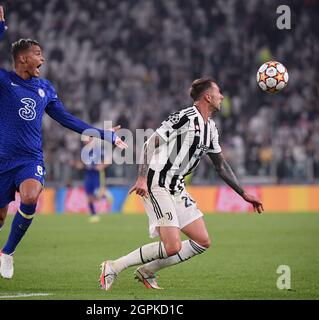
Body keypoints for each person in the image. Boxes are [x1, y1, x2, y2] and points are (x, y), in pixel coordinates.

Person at [0, 6, 127, 290]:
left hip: (30, 158)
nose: (42, 58)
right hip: (2, 160)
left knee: (31, 197)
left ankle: (7, 252)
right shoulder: (2, 81)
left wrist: (104, 133)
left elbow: (67, 119)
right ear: (23, 58)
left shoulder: (44, 88)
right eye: (37, 54)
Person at [99, 78, 263, 290]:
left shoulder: (211, 128)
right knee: (173, 246)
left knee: (202, 241)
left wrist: (244, 194)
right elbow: (150, 143)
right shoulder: (184, 117)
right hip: (156, 181)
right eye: (218, 92)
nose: (222, 96)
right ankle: (113, 266)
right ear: (207, 96)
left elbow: (220, 165)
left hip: (176, 186)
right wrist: (141, 178)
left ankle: (147, 271)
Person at [74, 136, 111, 223]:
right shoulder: (84, 151)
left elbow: (108, 161)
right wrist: (79, 166)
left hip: (97, 174)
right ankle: (94, 215)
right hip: (88, 174)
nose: (85, 141)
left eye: (87, 139)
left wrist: (101, 166)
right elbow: (83, 164)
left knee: (97, 193)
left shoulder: (98, 150)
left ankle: (105, 195)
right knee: (89, 196)